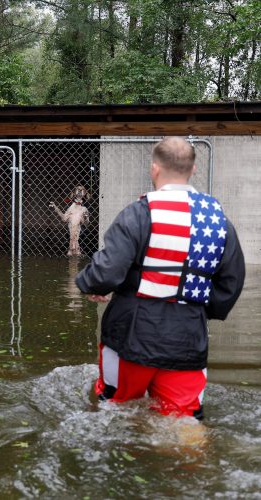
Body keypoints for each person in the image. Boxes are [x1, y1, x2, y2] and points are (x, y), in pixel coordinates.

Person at [75, 137, 245, 419]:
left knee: (113, 410)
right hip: (188, 337)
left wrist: (92, 283)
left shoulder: (139, 213)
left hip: (131, 334)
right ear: (192, 170)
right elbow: (232, 282)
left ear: (154, 169)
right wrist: (197, 309)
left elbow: (107, 271)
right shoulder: (218, 220)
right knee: (184, 421)